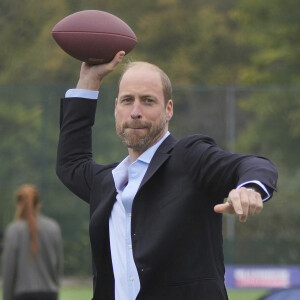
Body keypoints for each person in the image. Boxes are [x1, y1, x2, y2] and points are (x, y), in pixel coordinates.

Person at [56, 51, 278, 300]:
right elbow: (70, 163)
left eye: (148, 101)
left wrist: (250, 188)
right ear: (116, 107)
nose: (136, 111)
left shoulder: (189, 158)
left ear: (168, 109)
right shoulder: (107, 183)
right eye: (127, 100)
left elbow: (253, 164)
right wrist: (89, 81)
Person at [2, 184, 63, 300]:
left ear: (18, 204)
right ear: (39, 204)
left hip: (22, 294)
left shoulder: (14, 230)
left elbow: (9, 270)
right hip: (49, 293)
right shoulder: (53, 227)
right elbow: (58, 265)